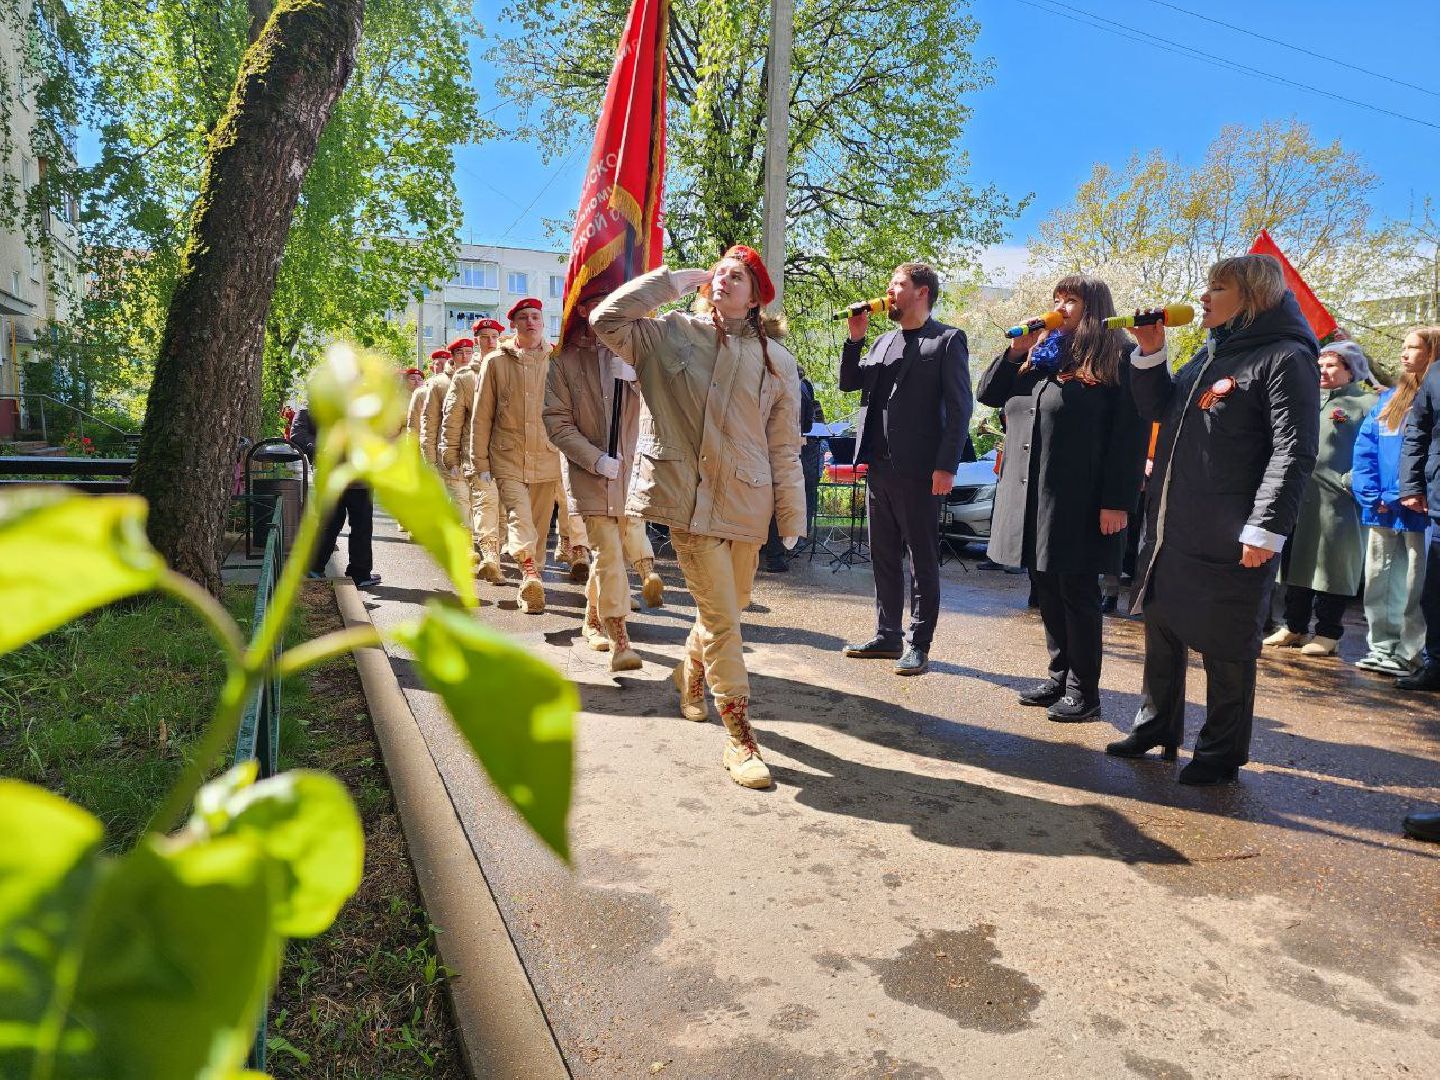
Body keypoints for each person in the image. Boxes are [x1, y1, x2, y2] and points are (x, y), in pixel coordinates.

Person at [591, 245, 806, 790]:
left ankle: (689, 672)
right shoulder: (667, 333)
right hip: (687, 501)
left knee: (728, 607)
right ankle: (739, 735)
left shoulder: (778, 360)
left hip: (746, 502)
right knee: (723, 619)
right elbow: (604, 319)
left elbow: (784, 446)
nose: (727, 280)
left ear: (756, 297)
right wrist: (672, 281)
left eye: (741, 277)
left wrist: (791, 513)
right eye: (722, 273)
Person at [1106, 253, 1320, 785]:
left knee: (1227, 644)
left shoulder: (1285, 357)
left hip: (1233, 533)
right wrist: (1151, 353)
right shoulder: (1209, 356)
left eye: (1217, 288)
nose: (1203, 296)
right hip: (1173, 529)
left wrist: (1266, 526)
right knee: (1163, 629)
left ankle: (1221, 752)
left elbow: (1293, 451)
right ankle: (1155, 728)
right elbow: (1159, 410)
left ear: (1252, 297)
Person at [977, 275, 1148, 721]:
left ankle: (1083, 690)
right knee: (1045, 586)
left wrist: (1118, 501)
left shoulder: (1118, 354)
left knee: (1077, 591)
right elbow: (989, 394)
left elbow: (1129, 436)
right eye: (1057, 299)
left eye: (1071, 300)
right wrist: (1017, 350)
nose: (1061, 307)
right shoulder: (1043, 353)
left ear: (1093, 307)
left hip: (1083, 497)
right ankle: (1058, 676)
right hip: (1035, 493)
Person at [839, 262, 972, 676]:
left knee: (922, 559)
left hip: (920, 471)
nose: (889, 292)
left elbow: (960, 406)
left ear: (922, 292)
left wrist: (946, 465)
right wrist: (855, 340)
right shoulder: (881, 341)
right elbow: (848, 383)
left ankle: (919, 643)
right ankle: (887, 635)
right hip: (879, 467)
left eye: (897, 285)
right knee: (882, 555)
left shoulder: (947, 340)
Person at [544, 290, 646, 670]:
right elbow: (556, 421)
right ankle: (621, 639)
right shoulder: (564, 360)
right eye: (596, 301)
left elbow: (669, 403)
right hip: (590, 473)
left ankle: (591, 619)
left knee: (613, 551)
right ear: (582, 309)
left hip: (632, 474)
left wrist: (638, 380)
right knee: (607, 552)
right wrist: (595, 458)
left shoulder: (635, 351)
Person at [1264, 340, 1376, 656]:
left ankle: (1328, 631)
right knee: (1296, 563)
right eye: (1320, 364)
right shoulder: (1313, 400)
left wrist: (1353, 482)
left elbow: (1375, 448)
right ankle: (1294, 626)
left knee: (1334, 564)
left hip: (1340, 500)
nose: (1322, 371)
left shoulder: (1367, 404)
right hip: (1303, 496)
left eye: (1331, 365)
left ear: (1350, 370)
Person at [1352, 329, 1438, 675]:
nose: (1404, 354)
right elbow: (1365, 450)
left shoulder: (1431, 397)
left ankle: (1410, 651)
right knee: (1379, 578)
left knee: (1417, 583)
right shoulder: (1388, 400)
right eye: (1402, 347)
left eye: (1413, 347)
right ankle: (1381, 646)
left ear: (1432, 352)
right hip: (1383, 508)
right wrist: (1373, 496)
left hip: (1419, 511)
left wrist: (1417, 493)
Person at [472, 298, 563, 614]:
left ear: (542, 321)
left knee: (539, 523)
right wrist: (479, 461)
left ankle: (531, 581)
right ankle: (529, 571)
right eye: (523, 317)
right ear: (514, 325)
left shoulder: (559, 359)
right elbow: (482, 415)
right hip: (507, 455)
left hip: (548, 455)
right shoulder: (496, 361)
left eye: (535, 316)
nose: (530, 322)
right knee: (519, 515)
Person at [440, 323, 506, 582]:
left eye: (494, 337)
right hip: (477, 454)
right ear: (476, 341)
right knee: (485, 503)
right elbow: (452, 418)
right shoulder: (466, 377)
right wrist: (450, 454)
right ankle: (490, 557)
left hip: (510, 453)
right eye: (485, 338)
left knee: (503, 509)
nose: (490, 342)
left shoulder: (509, 367)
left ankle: (495, 553)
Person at [291, 403, 380, 589]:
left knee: (361, 526)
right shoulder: (310, 409)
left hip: (359, 476)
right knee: (328, 524)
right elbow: (297, 435)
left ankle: (359, 573)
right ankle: (315, 568)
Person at [1397, 327, 1440, 692]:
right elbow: (1418, 433)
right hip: (1439, 499)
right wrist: (1411, 485)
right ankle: (1436, 664)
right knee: (1435, 588)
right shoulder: (1436, 376)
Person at [418, 347, 455, 469]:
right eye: (438, 364)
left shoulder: (456, 386)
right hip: (431, 447)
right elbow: (421, 422)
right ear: (431, 367)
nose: (443, 367)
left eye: (445, 364)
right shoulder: (423, 391)